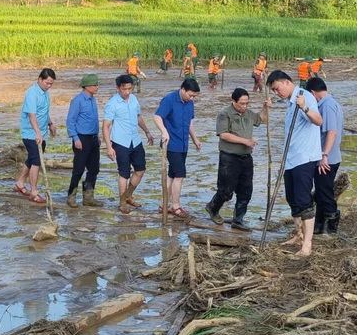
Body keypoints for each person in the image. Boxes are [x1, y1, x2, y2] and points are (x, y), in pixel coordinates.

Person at [266, 70, 323, 257]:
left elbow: (318, 120)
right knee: (292, 200)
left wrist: (305, 108)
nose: (276, 93)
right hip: (290, 160)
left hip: (304, 158)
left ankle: (307, 245)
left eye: (277, 88)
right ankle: (298, 235)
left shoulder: (304, 97)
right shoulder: (290, 104)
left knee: (304, 201)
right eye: (274, 91)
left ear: (287, 82)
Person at [206, 88, 270, 230]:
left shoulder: (248, 114)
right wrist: (245, 141)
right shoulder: (225, 114)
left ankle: (238, 219)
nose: (244, 106)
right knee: (226, 190)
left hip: (246, 158)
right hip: (229, 157)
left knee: (246, 190)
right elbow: (224, 135)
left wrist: (265, 107)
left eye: (246, 103)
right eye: (241, 104)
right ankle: (213, 207)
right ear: (233, 101)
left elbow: (262, 119)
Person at [103, 75, 155, 214]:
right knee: (124, 173)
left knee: (140, 169)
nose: (127, 92)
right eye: (124, 89)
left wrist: (147, 132)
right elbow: (106, 126)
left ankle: (128, 196)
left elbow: (138, 117)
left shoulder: (134, 100)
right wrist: (109, 146)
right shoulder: (112, 104)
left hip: (135, 140)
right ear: (118, 88)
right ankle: (121, 202)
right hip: (120, 142)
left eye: (129, 89)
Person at [153, 79, 202, 218]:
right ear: (182, 89)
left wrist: (195, 139)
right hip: (171, 143)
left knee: (173, 175)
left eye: (194, 96)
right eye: (190, 95)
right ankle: (176, 205)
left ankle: (163, 204)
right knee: (180, 175)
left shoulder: (190, 103)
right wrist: (164, 131)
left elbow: (189, 123)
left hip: (183, 144)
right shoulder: (169, 99)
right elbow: (157, 117)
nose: (192, 98)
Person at [305, 78, 343, 235]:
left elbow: (331, 132)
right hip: (329, 157)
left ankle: (330, 228)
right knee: (321, 192)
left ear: (313, 93)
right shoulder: (333, 103)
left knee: (325, 192)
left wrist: (324, 155)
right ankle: (320, 225)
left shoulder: (326, 106)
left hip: (327, 159)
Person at [14, 69, 57, 204]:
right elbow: (32, 115)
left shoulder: (45, 93)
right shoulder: (32, 94)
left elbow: (43, 111)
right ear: (39, 79)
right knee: (36, 162)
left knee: (32, 159)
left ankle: (20, 183)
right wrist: (37, 132)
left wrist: (50, 124)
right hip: (30, 134)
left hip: (41, 132)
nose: (48, 86)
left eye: (51, 84)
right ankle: (34, 192)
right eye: (47, 83)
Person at [65, 74, 103, 208]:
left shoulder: (93, 100)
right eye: (94, 85)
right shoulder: (78, 100)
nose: (97, 87)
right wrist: (75, 138)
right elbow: (71, 121)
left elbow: (93, 120)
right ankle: (71, 196)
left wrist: (97, 136)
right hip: (82, 138)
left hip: (93, 138)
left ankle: (88, 197)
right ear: (86, 86)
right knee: (79, 169)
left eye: (97, 84)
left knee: (94, 168)